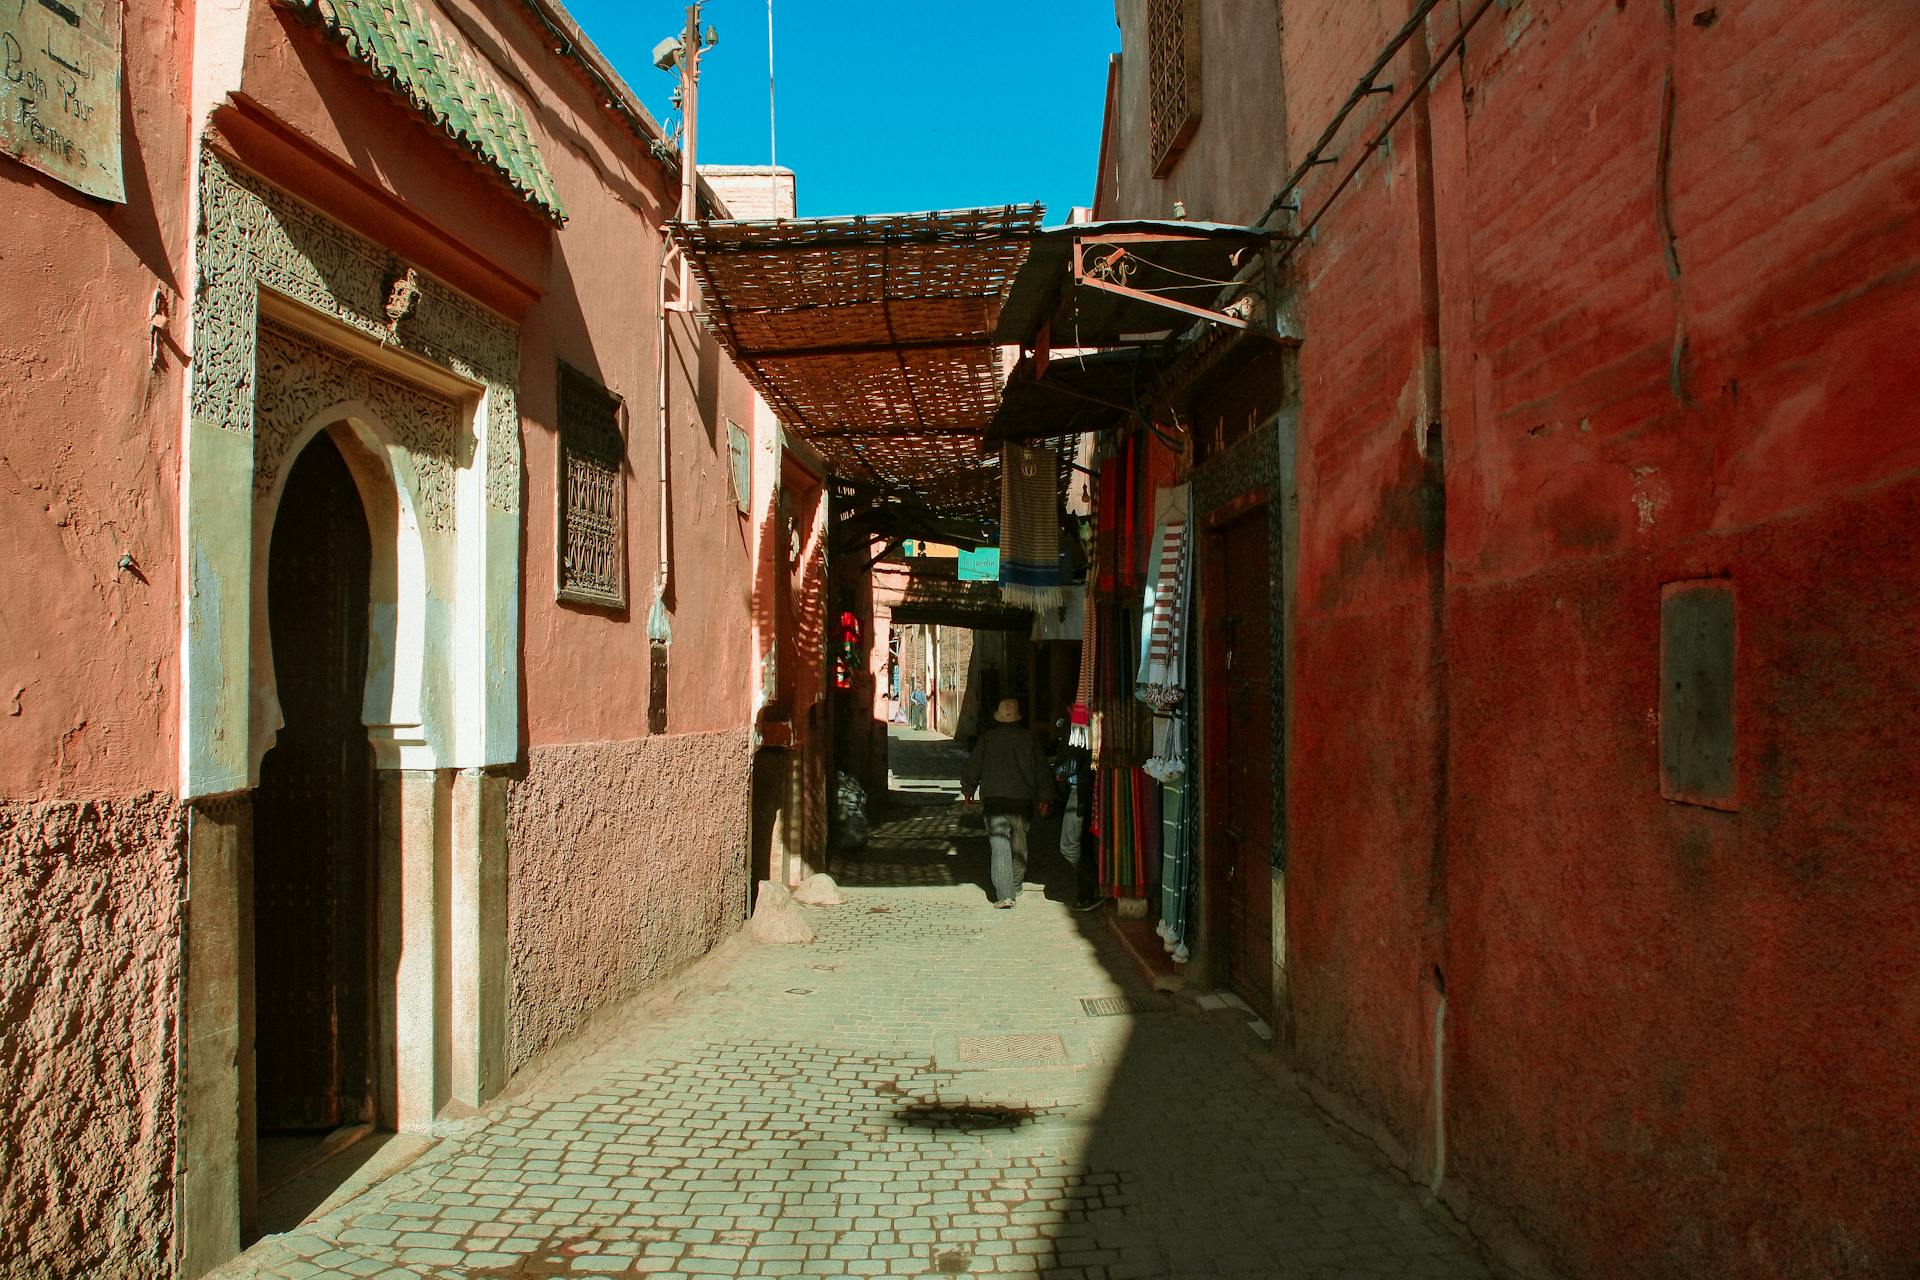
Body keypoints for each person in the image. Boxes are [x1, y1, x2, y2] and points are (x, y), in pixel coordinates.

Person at [960, 698, 1054, 908]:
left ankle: (1005, 894)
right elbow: (1041, 769)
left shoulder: (987, 739)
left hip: (994, 799)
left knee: (999, 843)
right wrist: (1045, 797)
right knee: (1020, 843)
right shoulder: (1029, 739)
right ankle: (1015, 884)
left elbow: (973, 765)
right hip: (1022, 800)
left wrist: (968, 789)